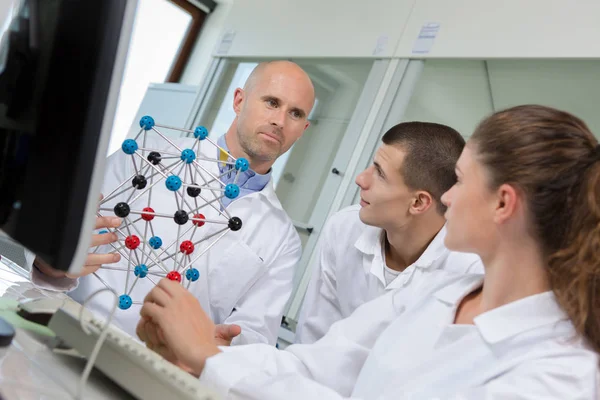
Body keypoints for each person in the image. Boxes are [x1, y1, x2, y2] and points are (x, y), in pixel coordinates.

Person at [137, 104, 600, 399]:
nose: (448, 198)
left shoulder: (561, 374)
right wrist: (197, 352)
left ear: (503, 203)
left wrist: (210, 358)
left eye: (459, 180)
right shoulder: (442, 289)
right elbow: (315, 365)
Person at [28, 60, 316, 345]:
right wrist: (51, 265)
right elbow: (55, 236)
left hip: (157, 371)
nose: (279, 120)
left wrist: (223, 344)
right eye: (271, 102)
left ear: (302, 129)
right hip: (69, 327)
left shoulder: (282, 238)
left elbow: (255, 334)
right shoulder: (143, 157)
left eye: (294, 113)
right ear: (239, 101)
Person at [296, 122, 482, 344]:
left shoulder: (468, 269)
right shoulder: (344, 227)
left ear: (418, 202)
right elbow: (313, 339)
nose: (361, 179)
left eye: (380, 173)